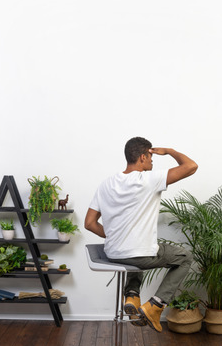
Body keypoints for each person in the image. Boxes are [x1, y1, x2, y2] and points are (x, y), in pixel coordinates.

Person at [84, 137, 198, 332]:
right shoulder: (149, 180)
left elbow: (89, 223)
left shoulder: (106, 184)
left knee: (138, 249)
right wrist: (169, 151)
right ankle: (155, 305)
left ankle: (132, 295)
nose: (153, 162)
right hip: (139, 255)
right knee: (185, 257)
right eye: (151, 157)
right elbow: (191, 166)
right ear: (143, 157)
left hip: (113, 253)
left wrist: (113, 235)